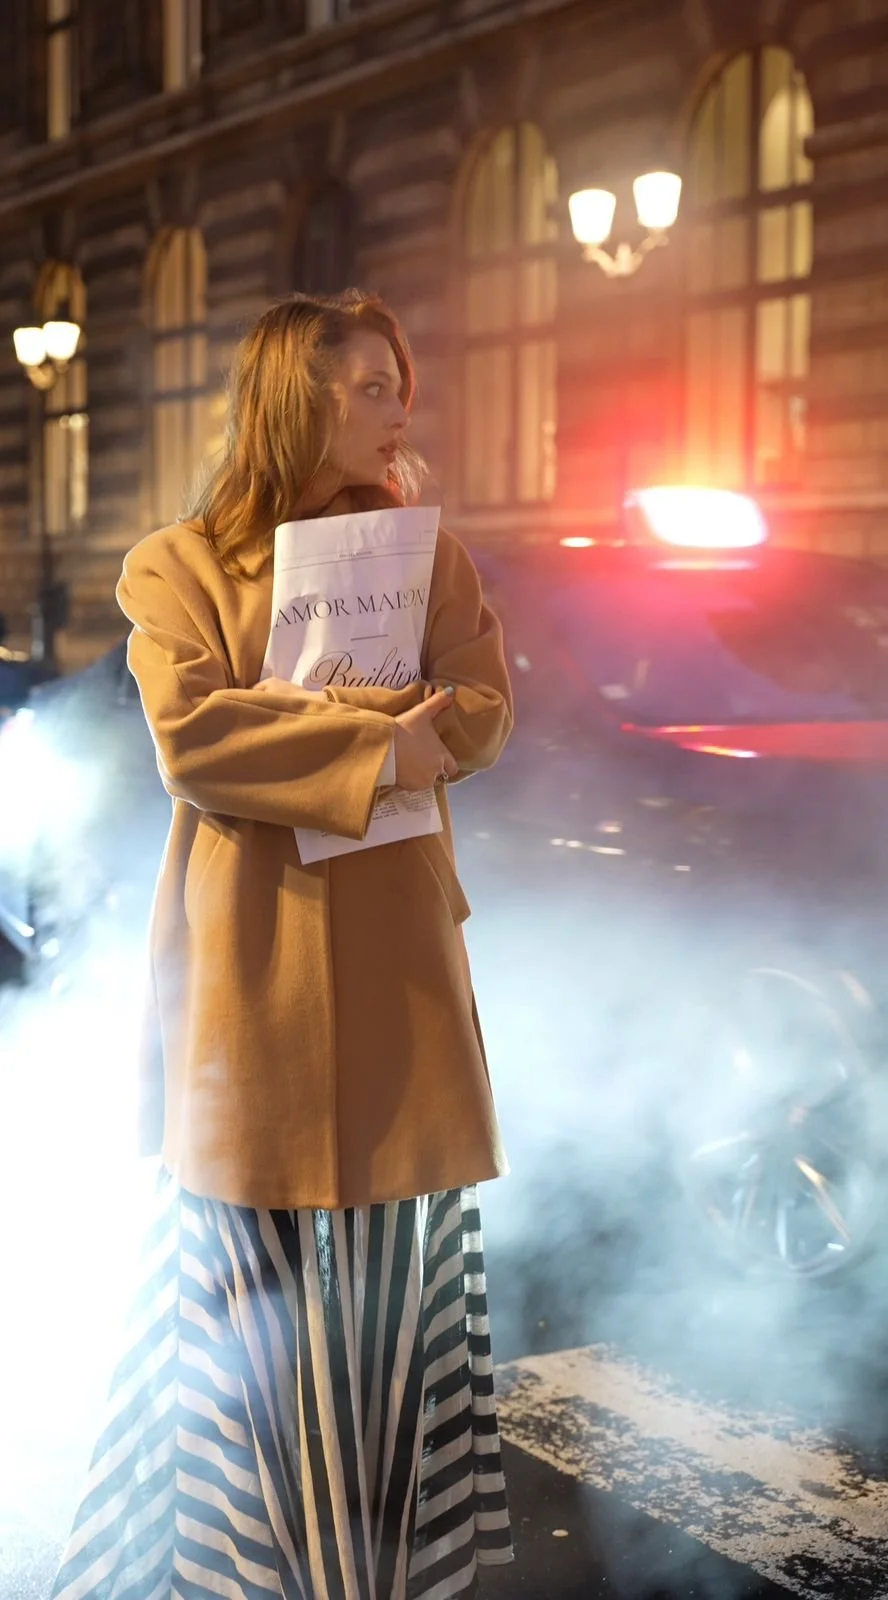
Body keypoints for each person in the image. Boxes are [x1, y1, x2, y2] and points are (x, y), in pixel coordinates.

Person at [50, 290, 514, 1600]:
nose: (394, 406)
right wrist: (380, 736)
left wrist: (342, 728)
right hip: (251, 974)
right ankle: (251, 1574)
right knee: (244, 1313)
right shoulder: (175, 564)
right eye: (367, 383)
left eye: (396, 382)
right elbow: (195, 742)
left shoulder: (428, 556)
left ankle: (378, 1575)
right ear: (292, 396)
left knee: (380, 1317)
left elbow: (480, 708)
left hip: (400, 968)